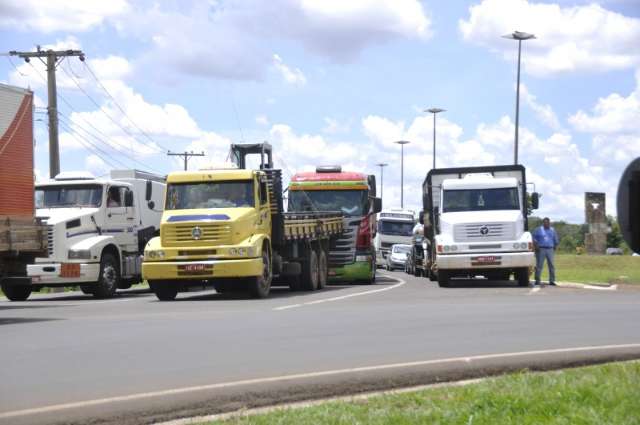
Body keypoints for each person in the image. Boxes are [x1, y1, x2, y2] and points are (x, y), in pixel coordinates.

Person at [532, 217, 559, 286]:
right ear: (543, 223)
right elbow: (533, 238)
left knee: (551, 265)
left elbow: (555, 239)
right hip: (541, 249)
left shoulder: (552, 230)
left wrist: (555, 246)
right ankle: (537, 280)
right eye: (545, 222)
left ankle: (552, 280)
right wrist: (536, 245)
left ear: (549, 223)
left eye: (548, 223)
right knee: (539, 265)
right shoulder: (538, 229)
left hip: (550, 249)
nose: (547, 224)